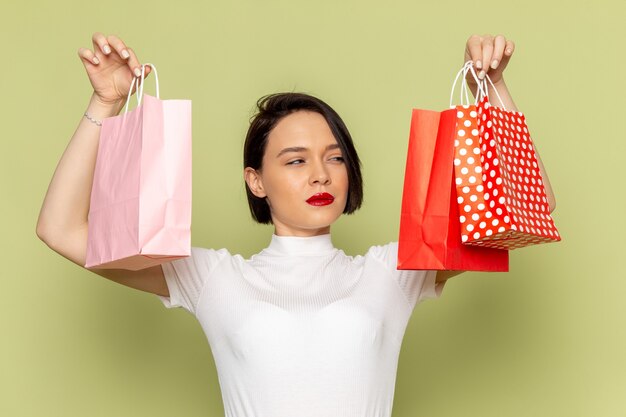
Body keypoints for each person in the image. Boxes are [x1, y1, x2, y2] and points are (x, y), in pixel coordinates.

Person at [36, 33, 556, 417]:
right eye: (294, 160)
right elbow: (59, 229)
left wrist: (492, 87)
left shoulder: (395, 270)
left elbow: (529, 208)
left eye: (334, 157)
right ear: (255, 181)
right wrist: (105, 103)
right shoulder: (212, 277)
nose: (320, 174)